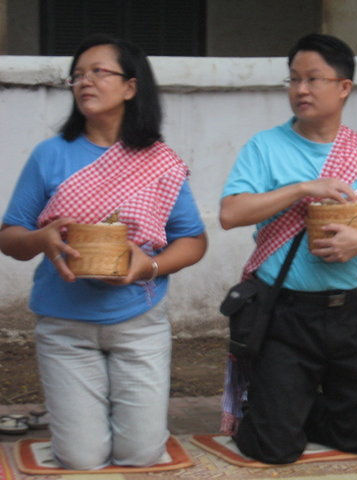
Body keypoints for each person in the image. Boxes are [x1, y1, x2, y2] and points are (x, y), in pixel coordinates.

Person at [0, 34, 207, 469]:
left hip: (139, 324)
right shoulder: (50, 155)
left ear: (131, 87)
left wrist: (147, 267)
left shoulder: (158, 161)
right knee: (81, 459)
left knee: (139, 453)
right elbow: (10, 236)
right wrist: (42, 238)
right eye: (77, 75)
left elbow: (192, 240)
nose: (84, 82)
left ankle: (142, 429)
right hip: (64, 327)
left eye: (98, 72)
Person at [219, 33, 357, 464]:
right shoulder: (265, 147)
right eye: (293, 80)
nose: (300, 90)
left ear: (344, 87)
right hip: (283, 314)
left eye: (313, 79)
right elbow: (231, 212)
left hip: (348, 314)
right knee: (274, 448)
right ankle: (274, 412)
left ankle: (297, 408)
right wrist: (303, 188)